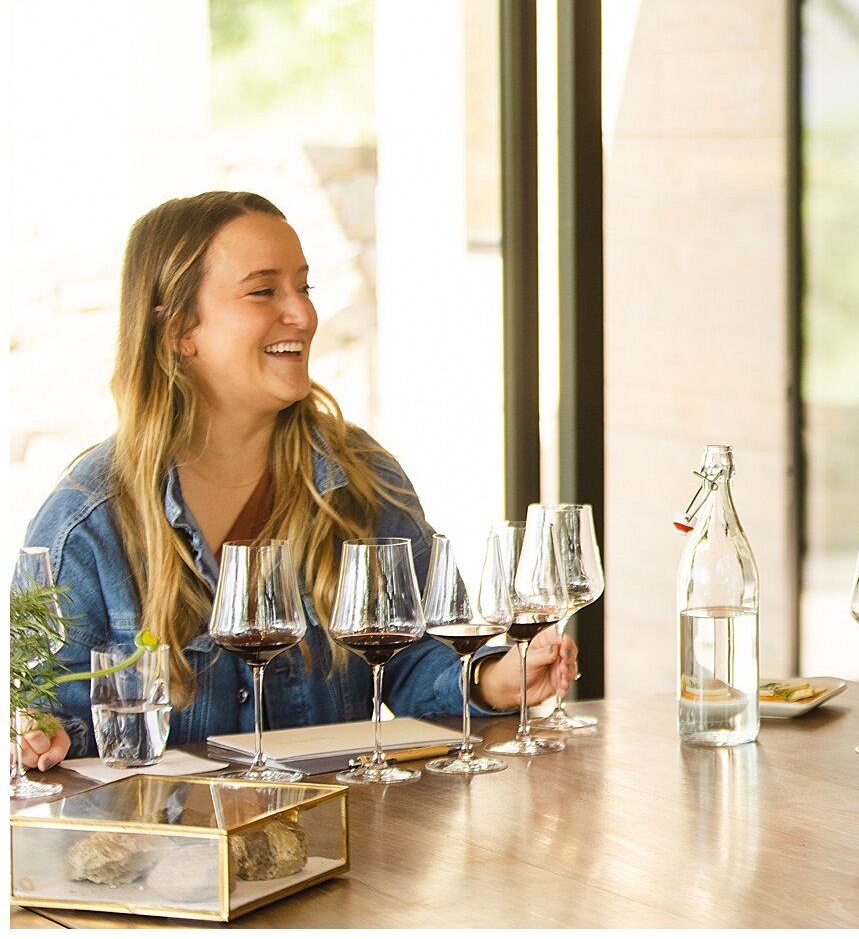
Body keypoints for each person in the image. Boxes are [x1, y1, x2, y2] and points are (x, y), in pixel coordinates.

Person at [17, 191, 576, 771]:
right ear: (181, 328)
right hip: (173, 856)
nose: (303, 314)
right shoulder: (90, 520)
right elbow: (45, 718)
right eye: (264, 291)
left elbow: (417, 662)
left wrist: (493, 679)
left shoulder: (360, 476)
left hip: (342, 845)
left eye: (304, 288)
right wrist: (35, 735)